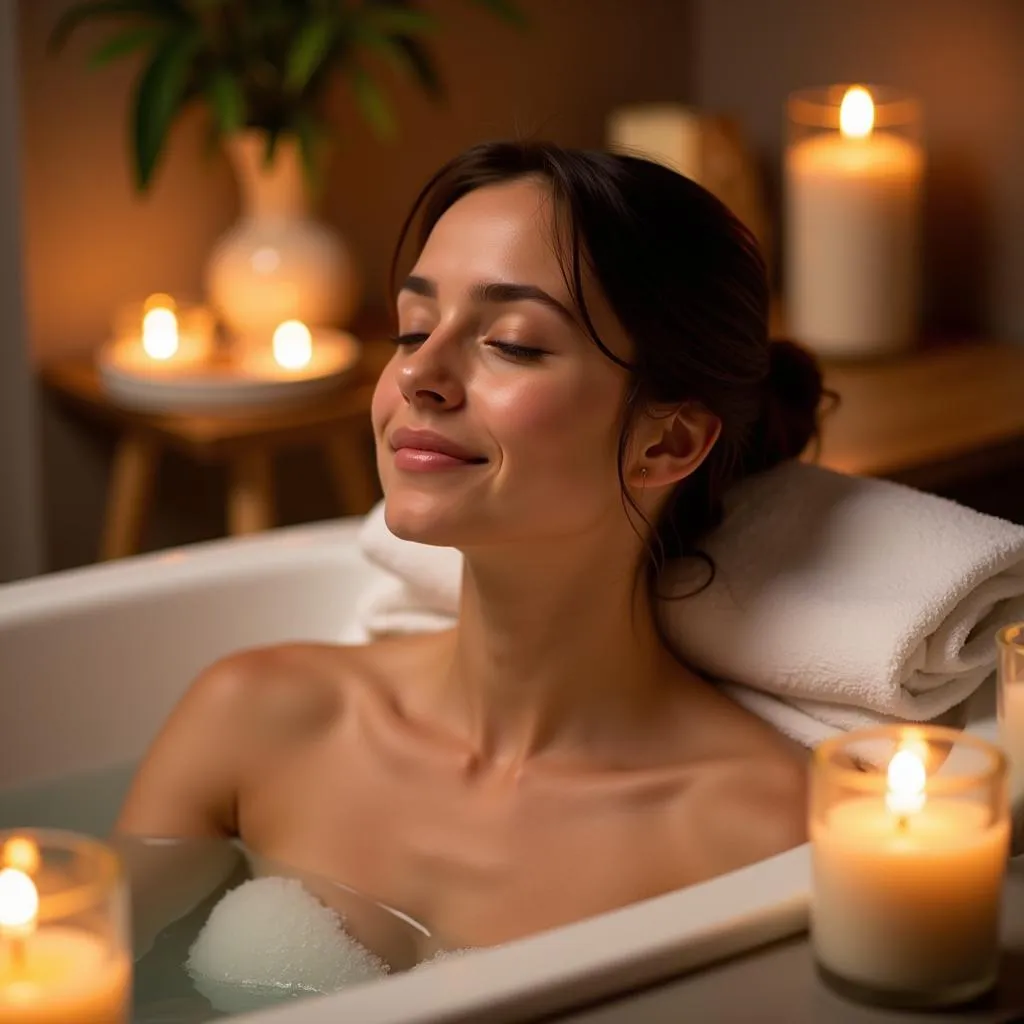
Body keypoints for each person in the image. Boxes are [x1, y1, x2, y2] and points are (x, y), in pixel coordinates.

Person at [117, 141, 823, 959]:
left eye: (513, 343)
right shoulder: (259, 720)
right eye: (412, 326)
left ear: (665, 444)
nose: (421, 372)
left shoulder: (760, 833)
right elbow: (59, 973)